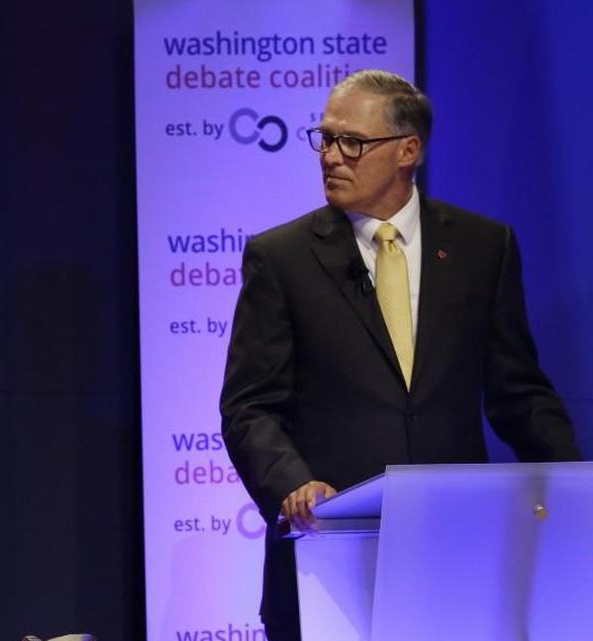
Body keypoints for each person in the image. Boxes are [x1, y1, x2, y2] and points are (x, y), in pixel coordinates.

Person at [219, 70, 582, 641]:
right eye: (325, 138)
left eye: (352, 143)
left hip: (457, 559)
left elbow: (518, 393)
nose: (331, 157)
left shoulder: (482, 248)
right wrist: (293, 483)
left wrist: (574, 487)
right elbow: (249, 407)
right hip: (330, 556)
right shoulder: (282, 258)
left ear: (408, 150)